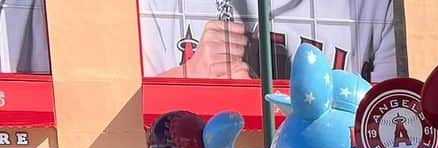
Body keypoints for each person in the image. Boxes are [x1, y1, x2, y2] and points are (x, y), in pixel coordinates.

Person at [139, 0, 397, 83]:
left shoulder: (374, 6)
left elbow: (395, 120)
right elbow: (125, 122)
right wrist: (189, 76)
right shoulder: (161, 5)